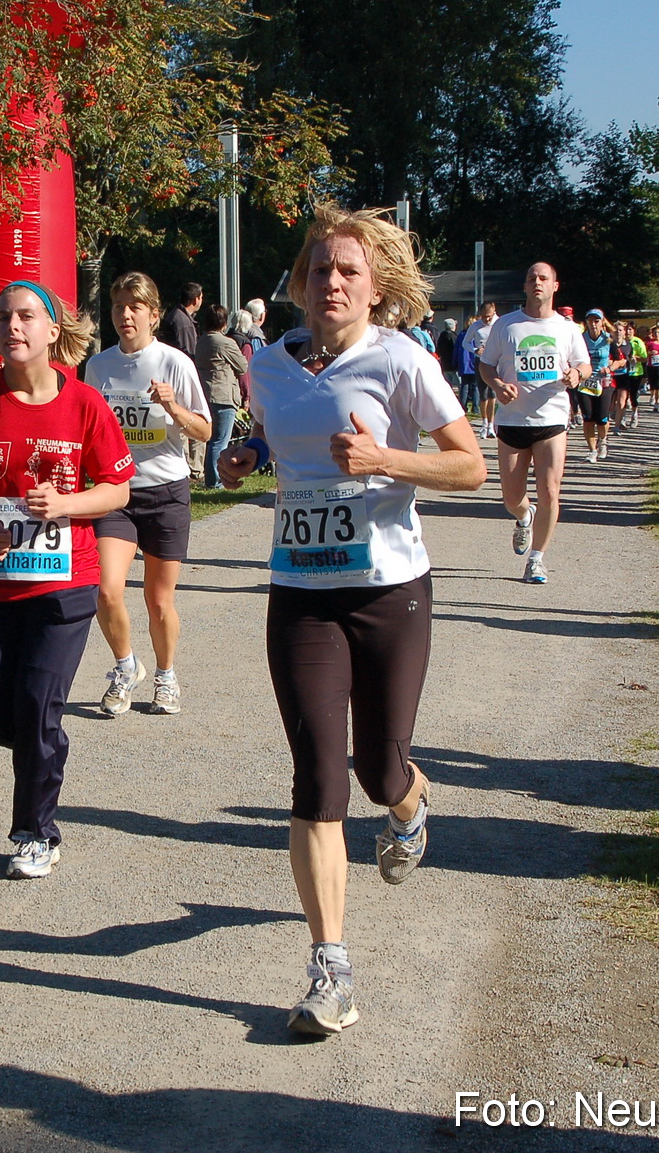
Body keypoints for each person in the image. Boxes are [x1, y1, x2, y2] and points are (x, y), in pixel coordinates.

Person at [217, 204, 485, 1036]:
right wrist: (243, 459)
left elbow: (471, 466)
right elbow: (274, 440)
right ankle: (330, 966)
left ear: (375, 289)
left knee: (378, 768)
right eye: (320, 270)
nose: (332, 283)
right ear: (299, 282)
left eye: (349, 272)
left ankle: (409, 804)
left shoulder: (401, 360)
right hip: (300, 593)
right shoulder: (267, 365)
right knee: (318, 777)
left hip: (389, 592)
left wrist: (384, 459)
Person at [0, 281, 134, 879]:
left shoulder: (85, 404)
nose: (13, 326)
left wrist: (65, 505)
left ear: (51, 330)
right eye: (4, 318)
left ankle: (35, 831)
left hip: (62, 584)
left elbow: (118, 488)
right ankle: (39, 744)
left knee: (39, 709)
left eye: (26, 316)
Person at [83, 272, 211, 716]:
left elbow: (206, 429)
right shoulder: (99, 367)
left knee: (158, 601)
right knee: (106, 590)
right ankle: (124, 667)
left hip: (166, 491)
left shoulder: (175, 363)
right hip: (117, 494)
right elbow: (90, 429)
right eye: (118, 306)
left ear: (154, 315)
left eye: (135, 307)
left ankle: (166, 675)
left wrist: (173, 407)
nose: (125, 315)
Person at [478, 263, 593, 585]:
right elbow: (486, 366)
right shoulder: (506, 325)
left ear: (555, 286)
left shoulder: (568, 328)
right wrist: (498, 385)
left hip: (552, 418)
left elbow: (583, 363)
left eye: (544, 278)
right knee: (512, 498)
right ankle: (523, 517)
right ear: (525, 287)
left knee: (549, 492)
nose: (537, 282)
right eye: (531, 278)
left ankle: (537, 560)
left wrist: (577, 374)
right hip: (513, 419)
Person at [197, 303, 247, 490]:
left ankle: (210, 478)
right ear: (224, 323)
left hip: (206, 393)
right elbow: (243, 366)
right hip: (223, 396)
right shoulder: (225, 343)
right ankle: (216, 481)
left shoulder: (201, 341)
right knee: (221, 441)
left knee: (212, 440)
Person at [577, 309, 614, 460]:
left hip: (603, 383)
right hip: (585, 382)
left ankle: (603, 441)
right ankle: (592, 450)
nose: (593, 324)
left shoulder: (609, 339)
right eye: (590, 321)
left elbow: (621, 359)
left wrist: (610, 368)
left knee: (602, 418)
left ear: (602, 322)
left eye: (596, 321)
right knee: (588, 418)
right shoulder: (580, 339)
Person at [463, 301, 498, 438]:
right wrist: (475, 349)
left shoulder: (499, 323)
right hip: (481, 361)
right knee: (483, 394)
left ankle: (491, 425)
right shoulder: (476, 326)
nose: (486, 320)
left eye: (489, 316)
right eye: (483, 316)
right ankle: (484, 424)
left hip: (495, 361)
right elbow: (465, 343)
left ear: (494, 313)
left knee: (493, 394)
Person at [610, 320, 647, 430]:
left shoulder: (628, 345)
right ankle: (608, 420)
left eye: (620, 330)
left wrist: (632, 360)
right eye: (616, 331)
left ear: (624, 332)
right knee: (611, 404)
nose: (618, 333)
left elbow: (633, 357)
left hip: (624, 375)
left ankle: (618, 425)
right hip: (610, 376)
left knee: (622, 400)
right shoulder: (608, 344)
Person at [164, 281, 202, 358]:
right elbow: (188, 352)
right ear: (196, 300)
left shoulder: (174, 314)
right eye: (201, 298)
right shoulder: (185, 324)